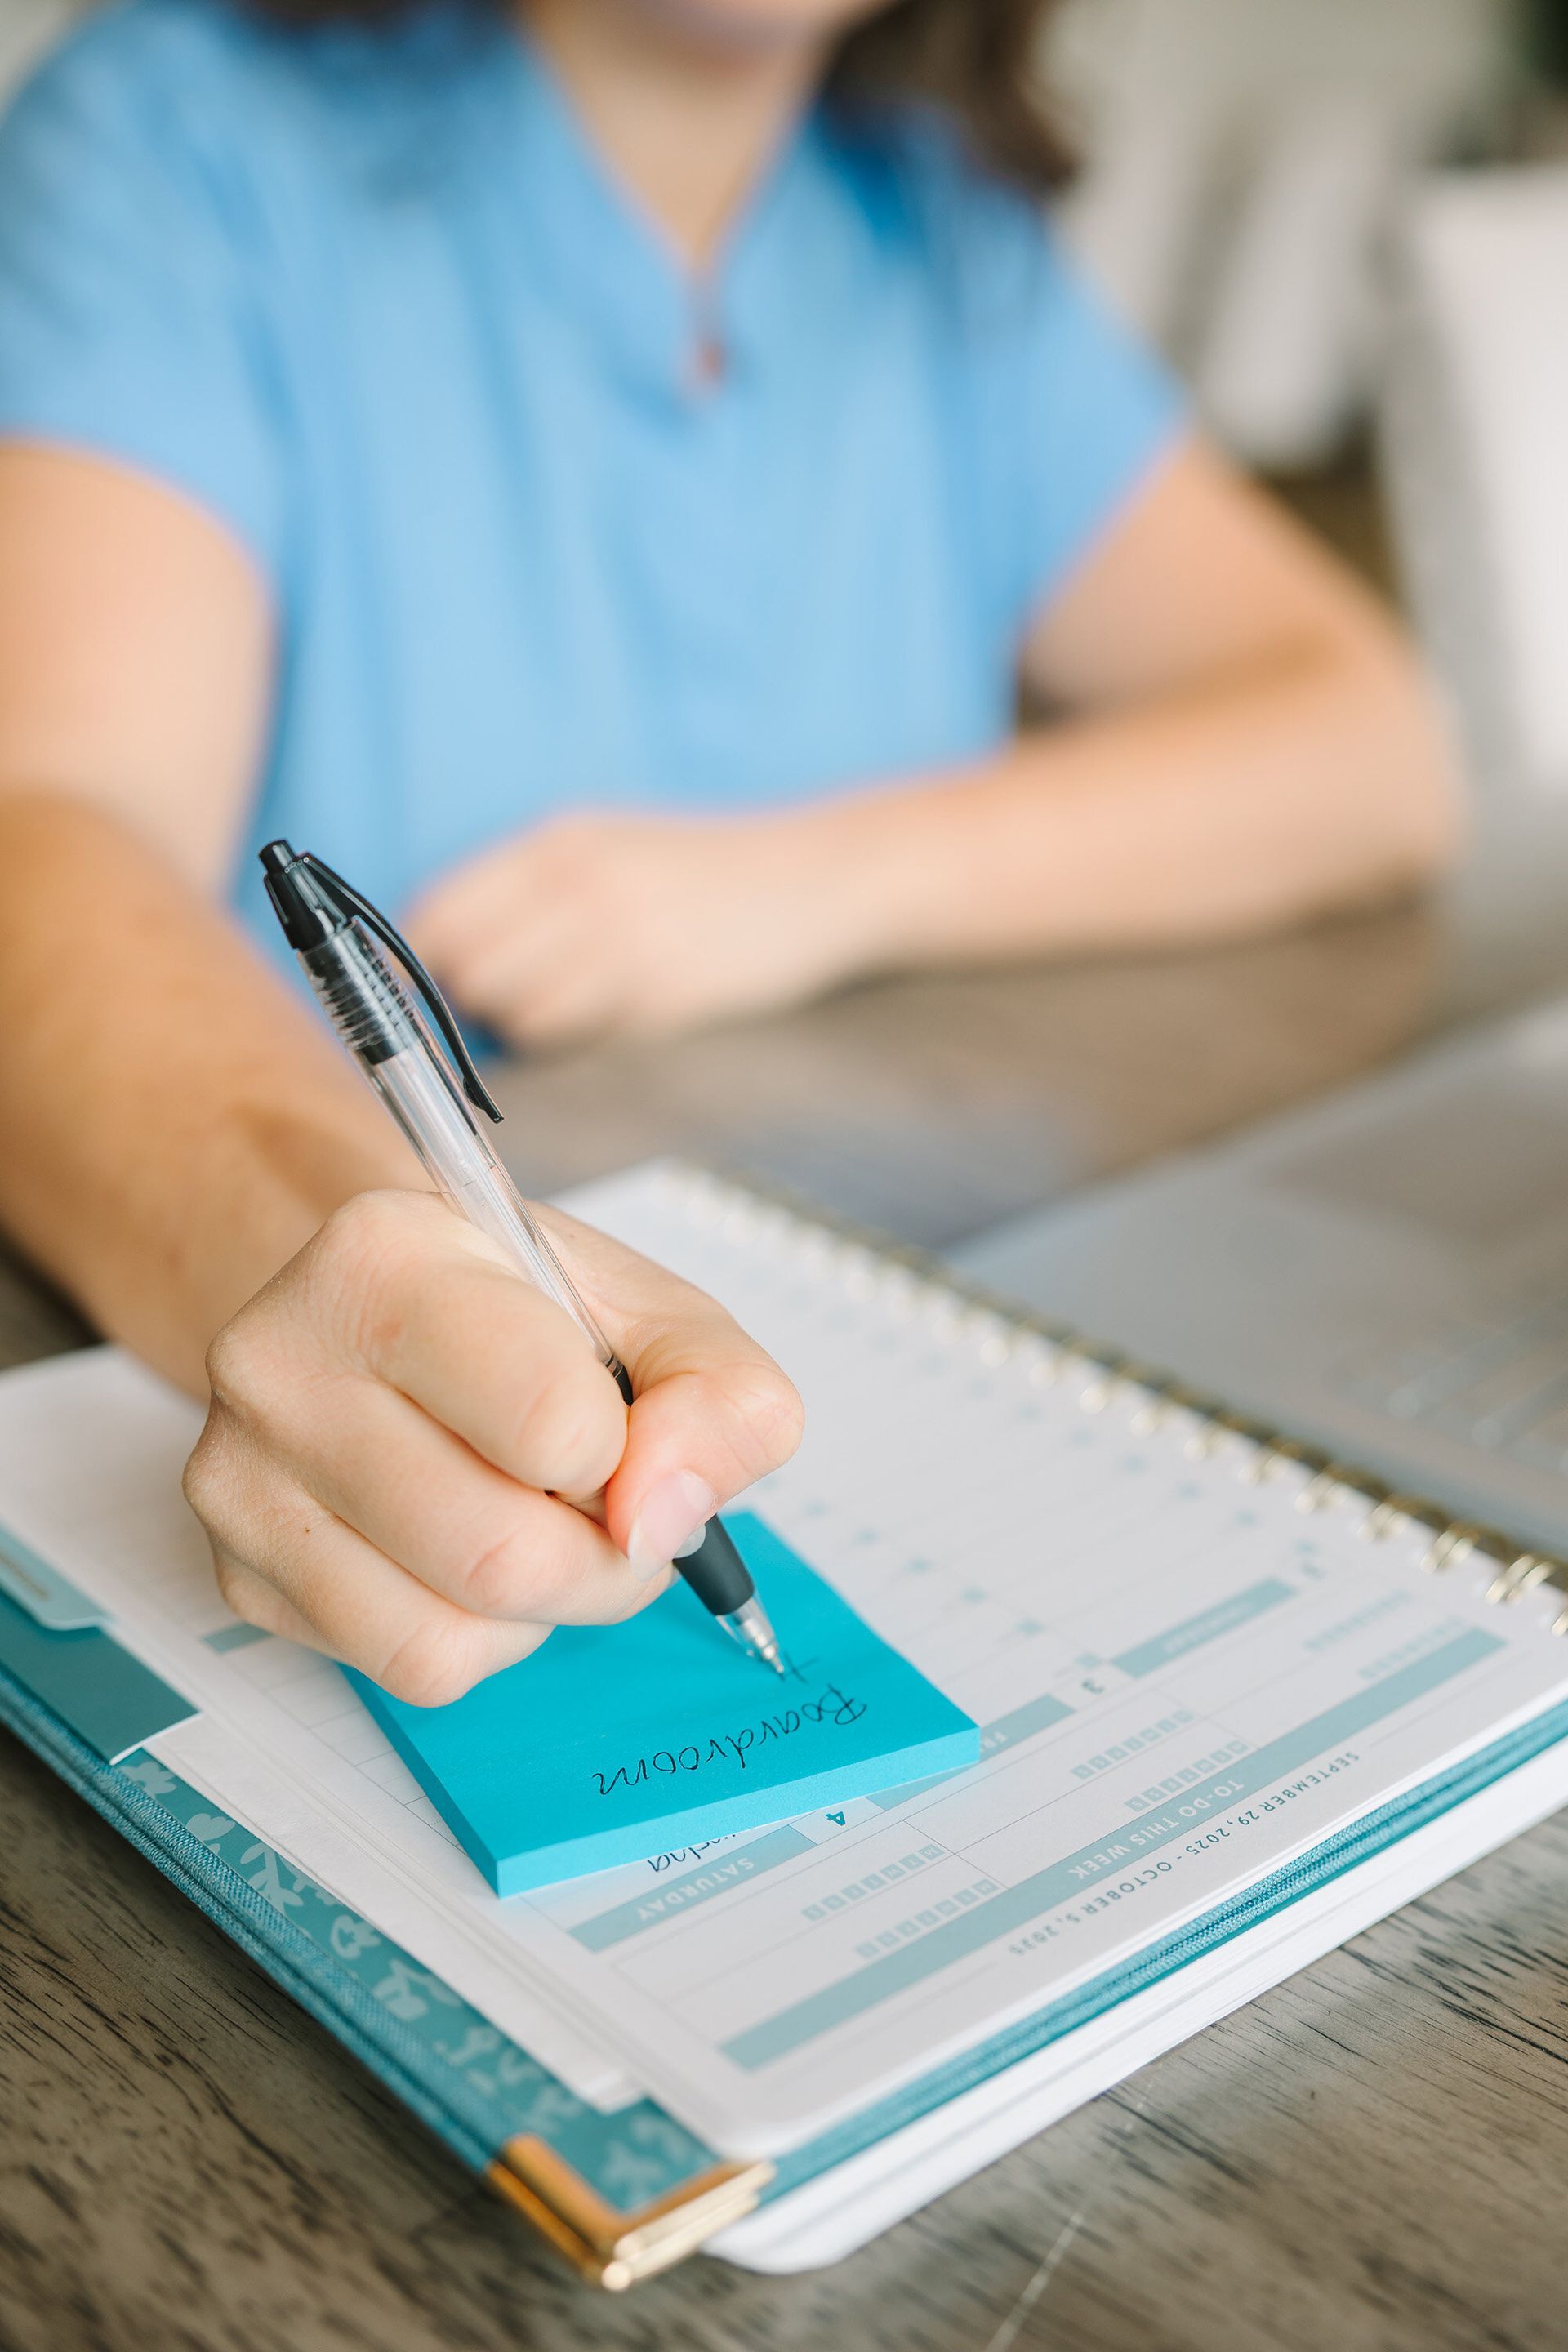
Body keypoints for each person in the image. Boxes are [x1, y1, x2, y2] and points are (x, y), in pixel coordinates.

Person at [0, 0, 1453, 1699]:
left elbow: (1373, 749)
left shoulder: (938, 229)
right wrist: (365, 1268)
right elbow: (44, 831)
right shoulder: (178, 130)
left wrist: (809, 881)